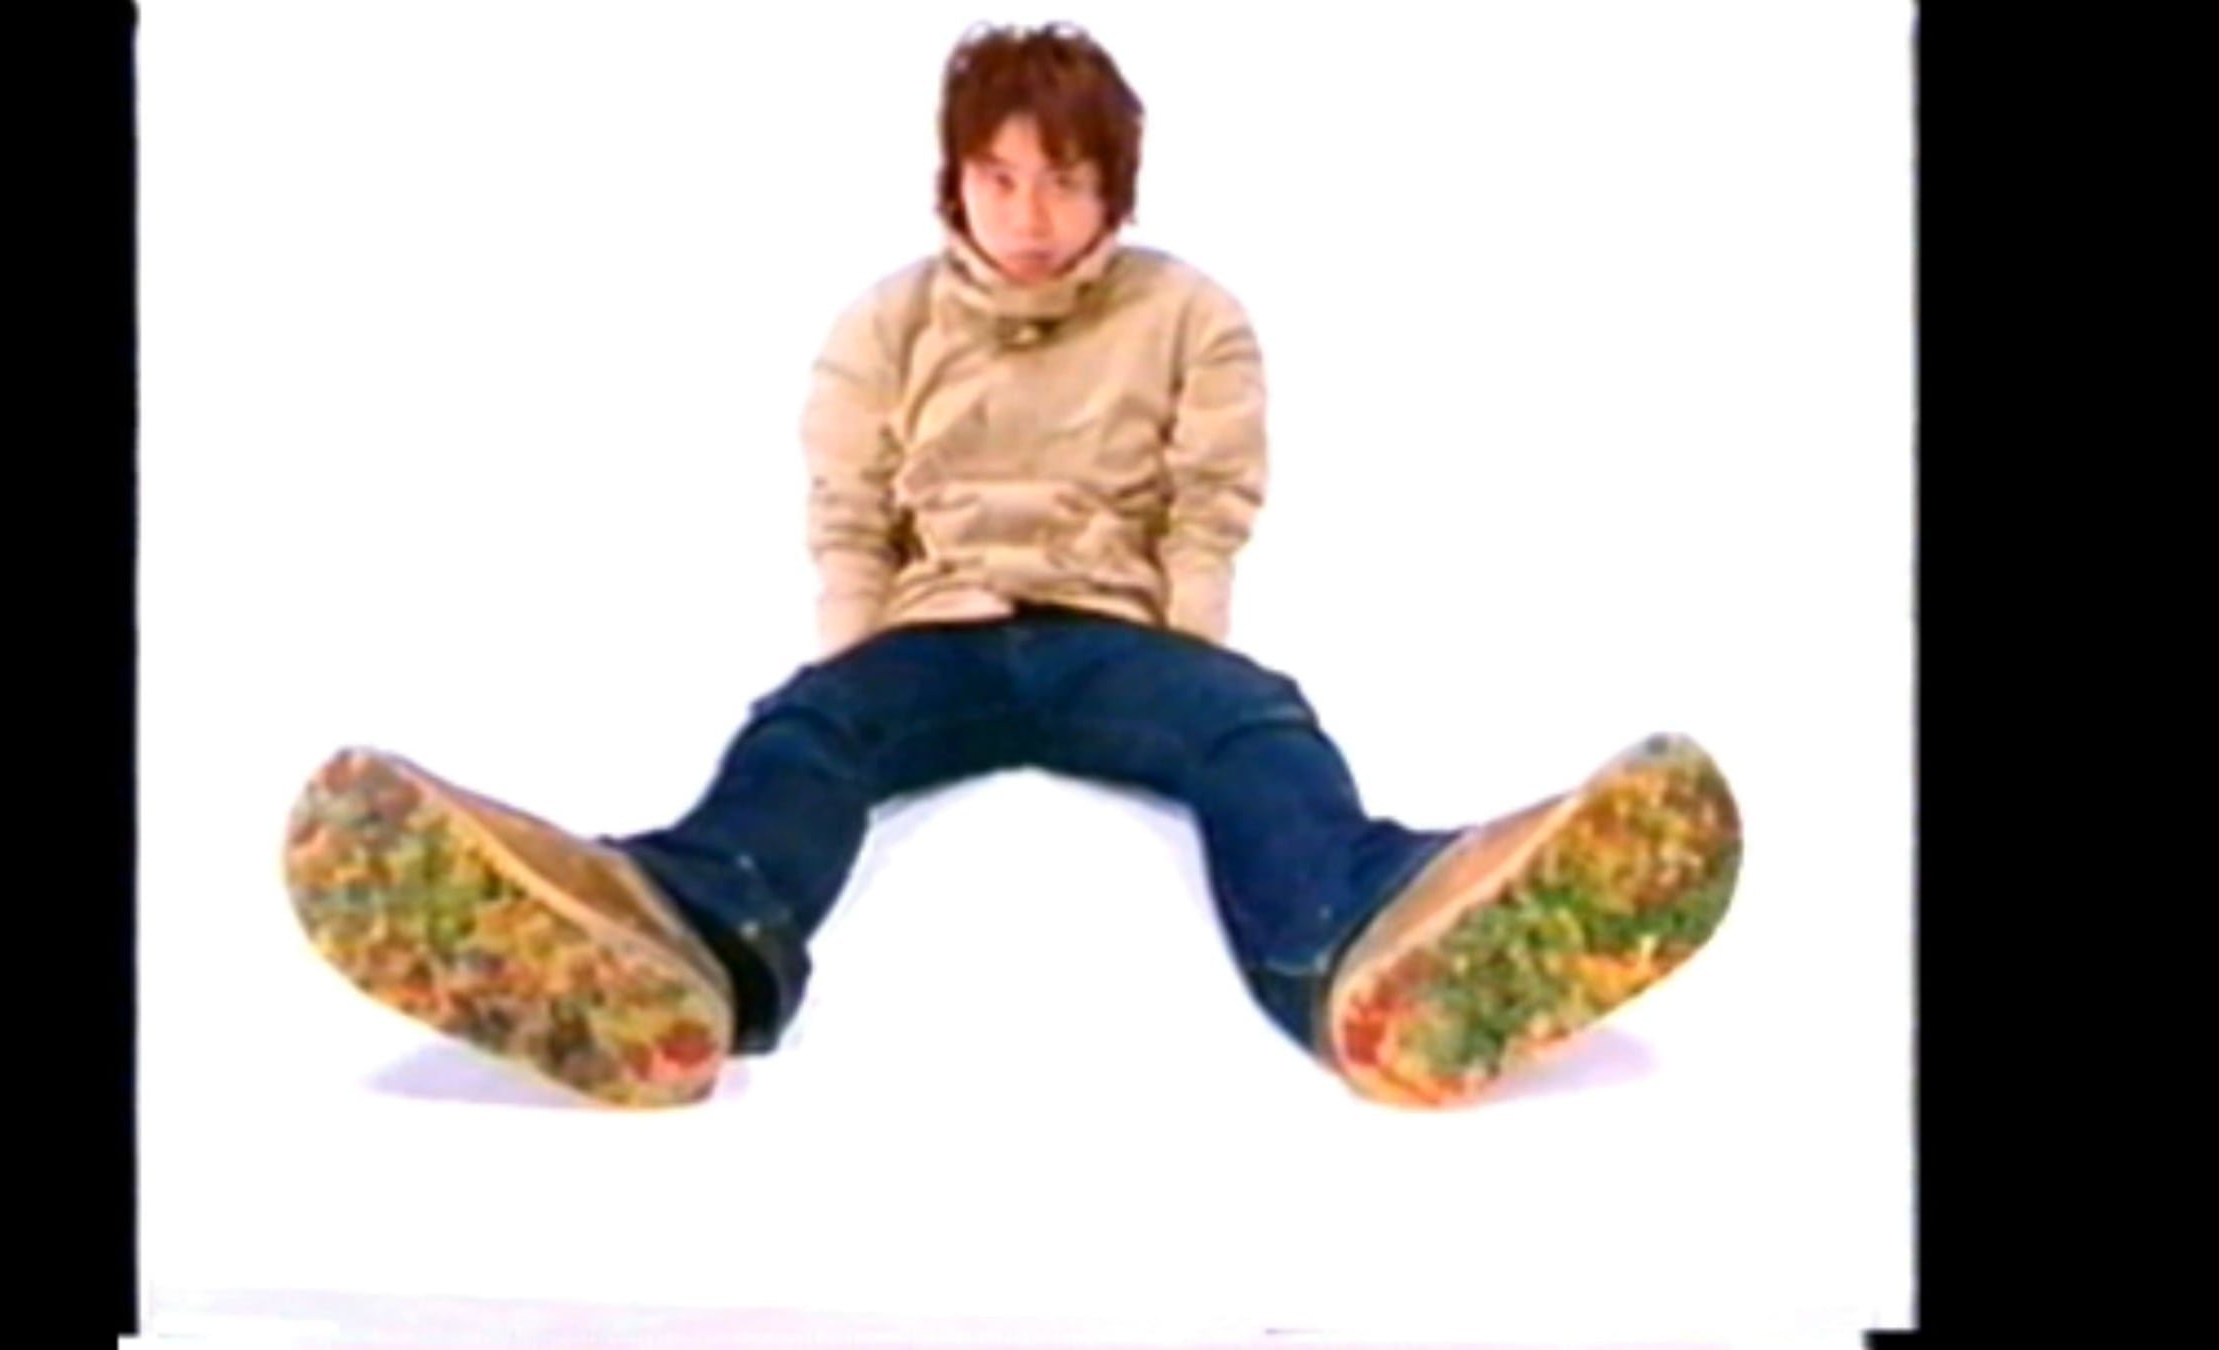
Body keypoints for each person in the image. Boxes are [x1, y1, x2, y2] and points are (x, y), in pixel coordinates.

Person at [281, 21, 1743, 1111]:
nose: (1030, 213)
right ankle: (674, 939)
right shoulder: (887, 321)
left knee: (1259, 728)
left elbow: (1210, 501)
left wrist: (1191, 658)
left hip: (1117, 637)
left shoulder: (1191, 313)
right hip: (938, 634)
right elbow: (850, 512)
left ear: (1115, 188)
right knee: (800, 738)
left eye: (1064, 180)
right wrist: (854, 664)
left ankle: (1367, 936)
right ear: (956, 182)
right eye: (1000, 178)